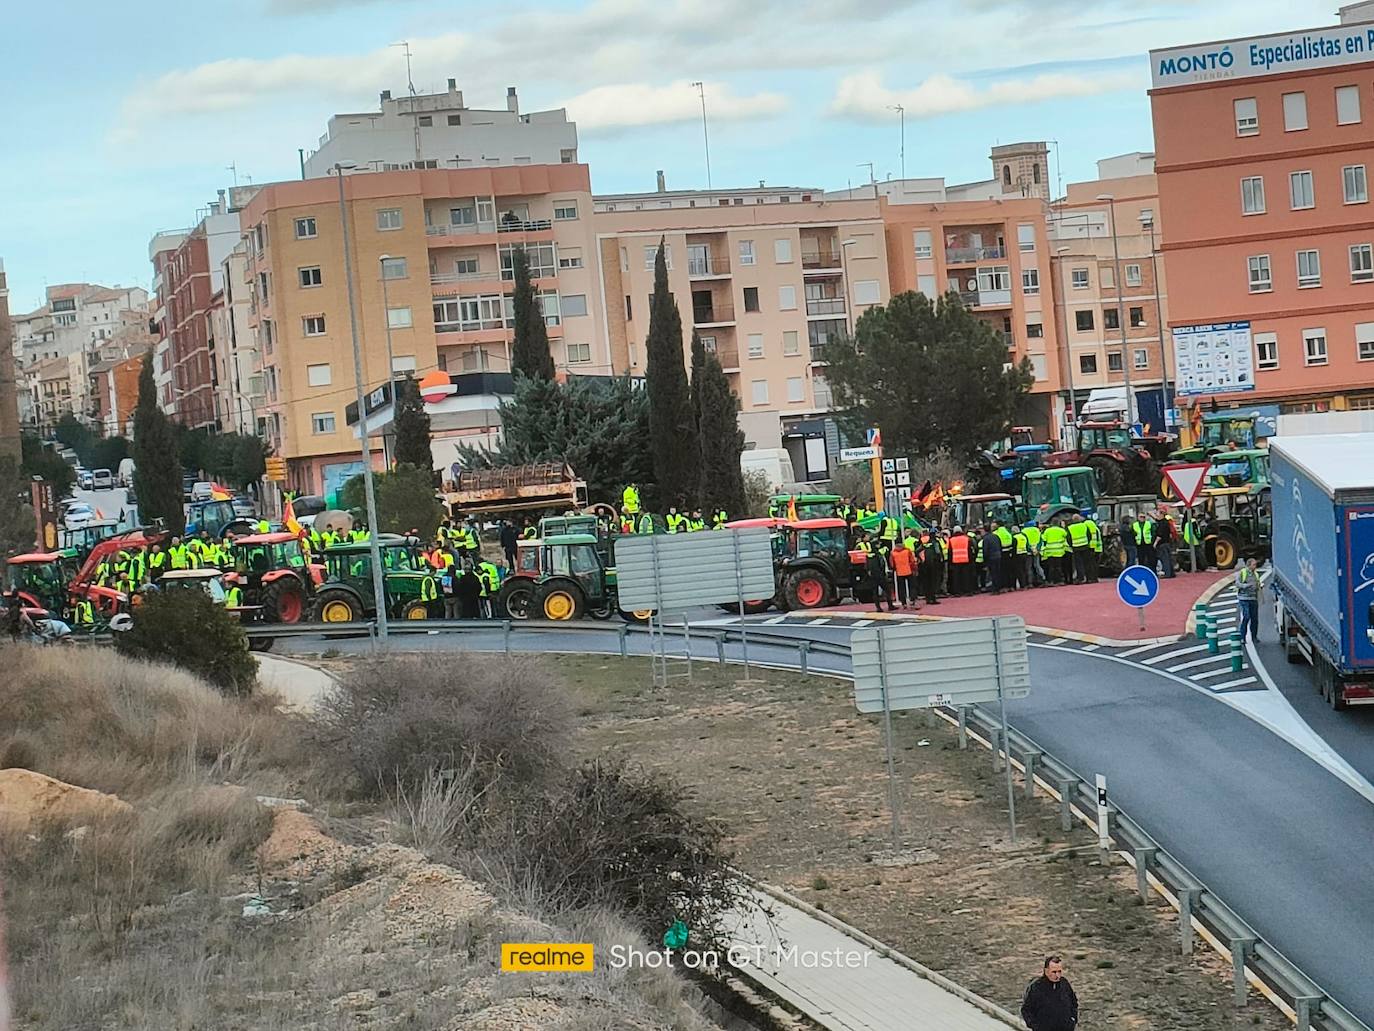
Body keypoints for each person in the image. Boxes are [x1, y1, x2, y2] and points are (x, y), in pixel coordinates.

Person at [1020, 955, 1078, 1031]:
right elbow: (1026, 1010)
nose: (1057, 975)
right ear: (1046, 971)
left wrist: (1073, 1020)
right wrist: (1035, 1026)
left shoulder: (1064, 984)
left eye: (1059, 971)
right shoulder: (1036, 987)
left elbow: (1074, 1002)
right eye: (1054, 972)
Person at [1236, 556, 1262, 644]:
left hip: (1253, 598)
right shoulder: (1243, 573)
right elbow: (1237, 583)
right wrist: (1245, 586)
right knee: (1246, 616)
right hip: (1244, 598)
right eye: (1254, 564)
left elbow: (1257, 583)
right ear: (1249, 565)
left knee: (1255, 619)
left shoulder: (1256, 574)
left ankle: (1254, 637)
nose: (1255, 566)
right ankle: (1242, 637)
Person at [863, 536, 892, 613]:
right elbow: (882, 564)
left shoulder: (868, 555)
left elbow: (866, 566)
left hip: (872, 575)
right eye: (878, 544)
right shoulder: (878, 554)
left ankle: (878, 607)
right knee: (887, 590)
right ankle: (890, 605)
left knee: (875, 592)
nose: (879, 545)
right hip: (880, 575)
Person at [889, 539, 916, 609]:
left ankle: (903, 603)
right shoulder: (907, 551)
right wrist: (913, 568)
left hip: (899, 572)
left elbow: (892, 564)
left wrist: (894, 569)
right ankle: (912, 599)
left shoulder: (893, 553)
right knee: (912, 586)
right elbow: (912, 560)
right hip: (908, 570)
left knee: (901, 588)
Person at [919, 532, 943, 605]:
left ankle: (928, 598)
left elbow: (917, 551)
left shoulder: (922, 541)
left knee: (926, 581)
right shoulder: (934, 542)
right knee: (933, 581)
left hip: (924, 564)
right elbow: (938, 552)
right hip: (933, 563)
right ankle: (933, 598)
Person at [1067, 515, 1091, 585]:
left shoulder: (1070, 528)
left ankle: (1081, 578)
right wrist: (1087, 542)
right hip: (1085, 546)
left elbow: (1069, 538)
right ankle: (1088, 578)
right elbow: (1089, 535)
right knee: (1086, 563)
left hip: (1076, 547)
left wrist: (1071, 545)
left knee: (1078, 564)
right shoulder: (1084, 526)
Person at [1154, 507, 1177, 578]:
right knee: (1169, 558)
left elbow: (1159, 535)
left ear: (1161, 515)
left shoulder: (1161, 524)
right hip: (1167, 543)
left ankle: (1167, 574)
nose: (1157, 516)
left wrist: (1155, 543)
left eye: (1158, 514)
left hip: (1162, 544)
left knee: (1165, 559)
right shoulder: (1166, 522)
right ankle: (1171, 573)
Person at [982, 524, 1004, 594]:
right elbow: (1000, 546)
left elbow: (985, 550)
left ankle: (995, 589)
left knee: (993, 573)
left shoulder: (986, 538)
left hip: (991, 557)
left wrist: (985, 561)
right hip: (998, 556)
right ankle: (998, 587)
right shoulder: (996, 536)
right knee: (998, 572)